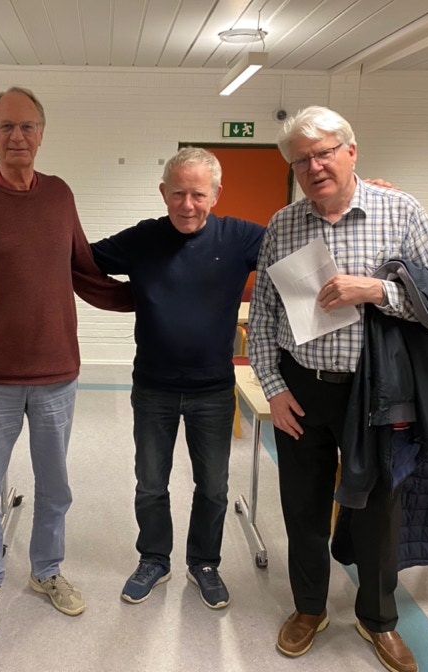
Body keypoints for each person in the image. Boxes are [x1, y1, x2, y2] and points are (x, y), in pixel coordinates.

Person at [247, 106, 428, 672]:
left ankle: (378, 618)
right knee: (303, 506)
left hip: (378, 392)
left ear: (351, 151)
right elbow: (263, 316)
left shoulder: (401, 211)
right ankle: (309, 608)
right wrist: (273, 387)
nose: (314, 167)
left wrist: (376, 291)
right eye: (300, 160)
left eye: (323, 153)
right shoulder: (283, 224)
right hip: (302, 389)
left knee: (380, 509)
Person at [0, 86, 133, 636]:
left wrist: (144, 296)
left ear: (42, 133)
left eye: (27, 126)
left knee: (55, 487)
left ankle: (47, 571)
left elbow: (83, 269)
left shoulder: (59, 194)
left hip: (56, 375)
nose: (17, 136)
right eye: (6, 126)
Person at [90, 147, 266, 609]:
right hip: (154, 388)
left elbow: (302, 244)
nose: (188, 205)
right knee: (151, 484)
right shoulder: (143, 238)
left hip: (213, 390)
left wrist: (358, 197)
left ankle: (204, 563)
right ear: (163, 192)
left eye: (198, 194)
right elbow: (82, 261)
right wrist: (129, 298)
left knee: (213, 488)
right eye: (178, 194)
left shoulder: (241, 237)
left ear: (216, 194)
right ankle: (154, 559)